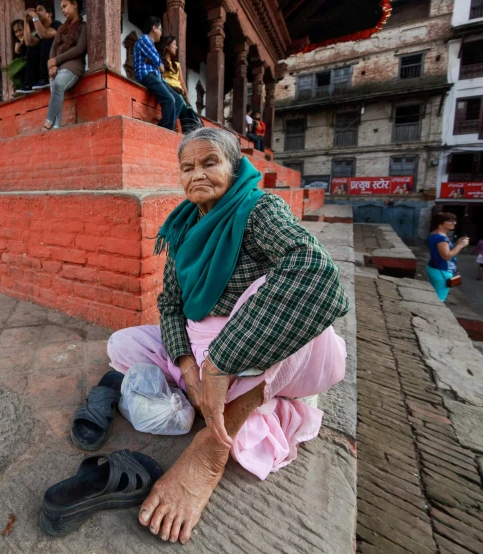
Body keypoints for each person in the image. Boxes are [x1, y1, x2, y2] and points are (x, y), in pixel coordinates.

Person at [102, 128, 349, 544]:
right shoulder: (182, 227)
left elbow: (316, 274)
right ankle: (213, 395)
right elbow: (170, 306)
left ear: (234, 169)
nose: (196, 174)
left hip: (255, 345)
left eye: (209, 162)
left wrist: (218, 364)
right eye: (186, 167)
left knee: (285, 295)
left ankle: (212, 445)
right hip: (200, 347)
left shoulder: (258, 209)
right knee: (121, 343)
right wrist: (187, 363)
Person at [42, 0, 87, 131]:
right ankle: (55, 127)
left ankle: (48, 121)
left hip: (73, 66)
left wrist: (56, 60)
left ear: (74, 4)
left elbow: (79, 49)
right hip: (57, 66)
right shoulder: (61, 28)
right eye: (61, 7)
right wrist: (52, 65)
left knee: (58, 84)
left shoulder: (83, 26)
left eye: (65, 6)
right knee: (55, 88)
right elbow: (53, 48)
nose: (62, 10)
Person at [134, 17, 184, 131]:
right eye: (160, 29)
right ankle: (166, 132)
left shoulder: (150, 44)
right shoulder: (144, 39)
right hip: (146, 75)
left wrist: (156, 63)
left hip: (156, 76)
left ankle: (163, 127)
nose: (161, 33)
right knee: (169, 100)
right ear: (154, 28)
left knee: (179, 100)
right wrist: (156, 63)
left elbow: (159, 67)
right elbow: (157, 62)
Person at [159, 36, 202, 133]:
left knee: (187, 111)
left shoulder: (177, 65)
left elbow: (182, 82)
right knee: (182, 108)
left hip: (179, 92)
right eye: (174, 44)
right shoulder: (160, 62)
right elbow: (160, 78)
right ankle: (172, 128)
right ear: (166, 46)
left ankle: (188, 133)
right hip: (168, 89)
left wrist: (187, 96)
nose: (176, 47)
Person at [18, 2, 62, 93]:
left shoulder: (57, 24)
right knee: (31, 49)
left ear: (49, 14)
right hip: (46, 64)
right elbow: (29, 43)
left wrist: (34, 16)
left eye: (40, 10)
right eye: (36, 10)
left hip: (58, 63)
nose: (37, 12)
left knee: (45, 43)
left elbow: (44, 34)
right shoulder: (40, 31)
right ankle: (29, 83)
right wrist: (25, 21)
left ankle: (45, 79)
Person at [427, 212, 468, 301]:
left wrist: (456, 243)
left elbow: (442, 249)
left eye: (454, 221)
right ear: (441, 222)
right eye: (450, 221)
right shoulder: (441, 238)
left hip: (435, 267)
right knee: (440, 299)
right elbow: (446, 256)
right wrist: (460, 245)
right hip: (442, 270)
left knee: (435, 295)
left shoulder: (434, 234)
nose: (454, 223)